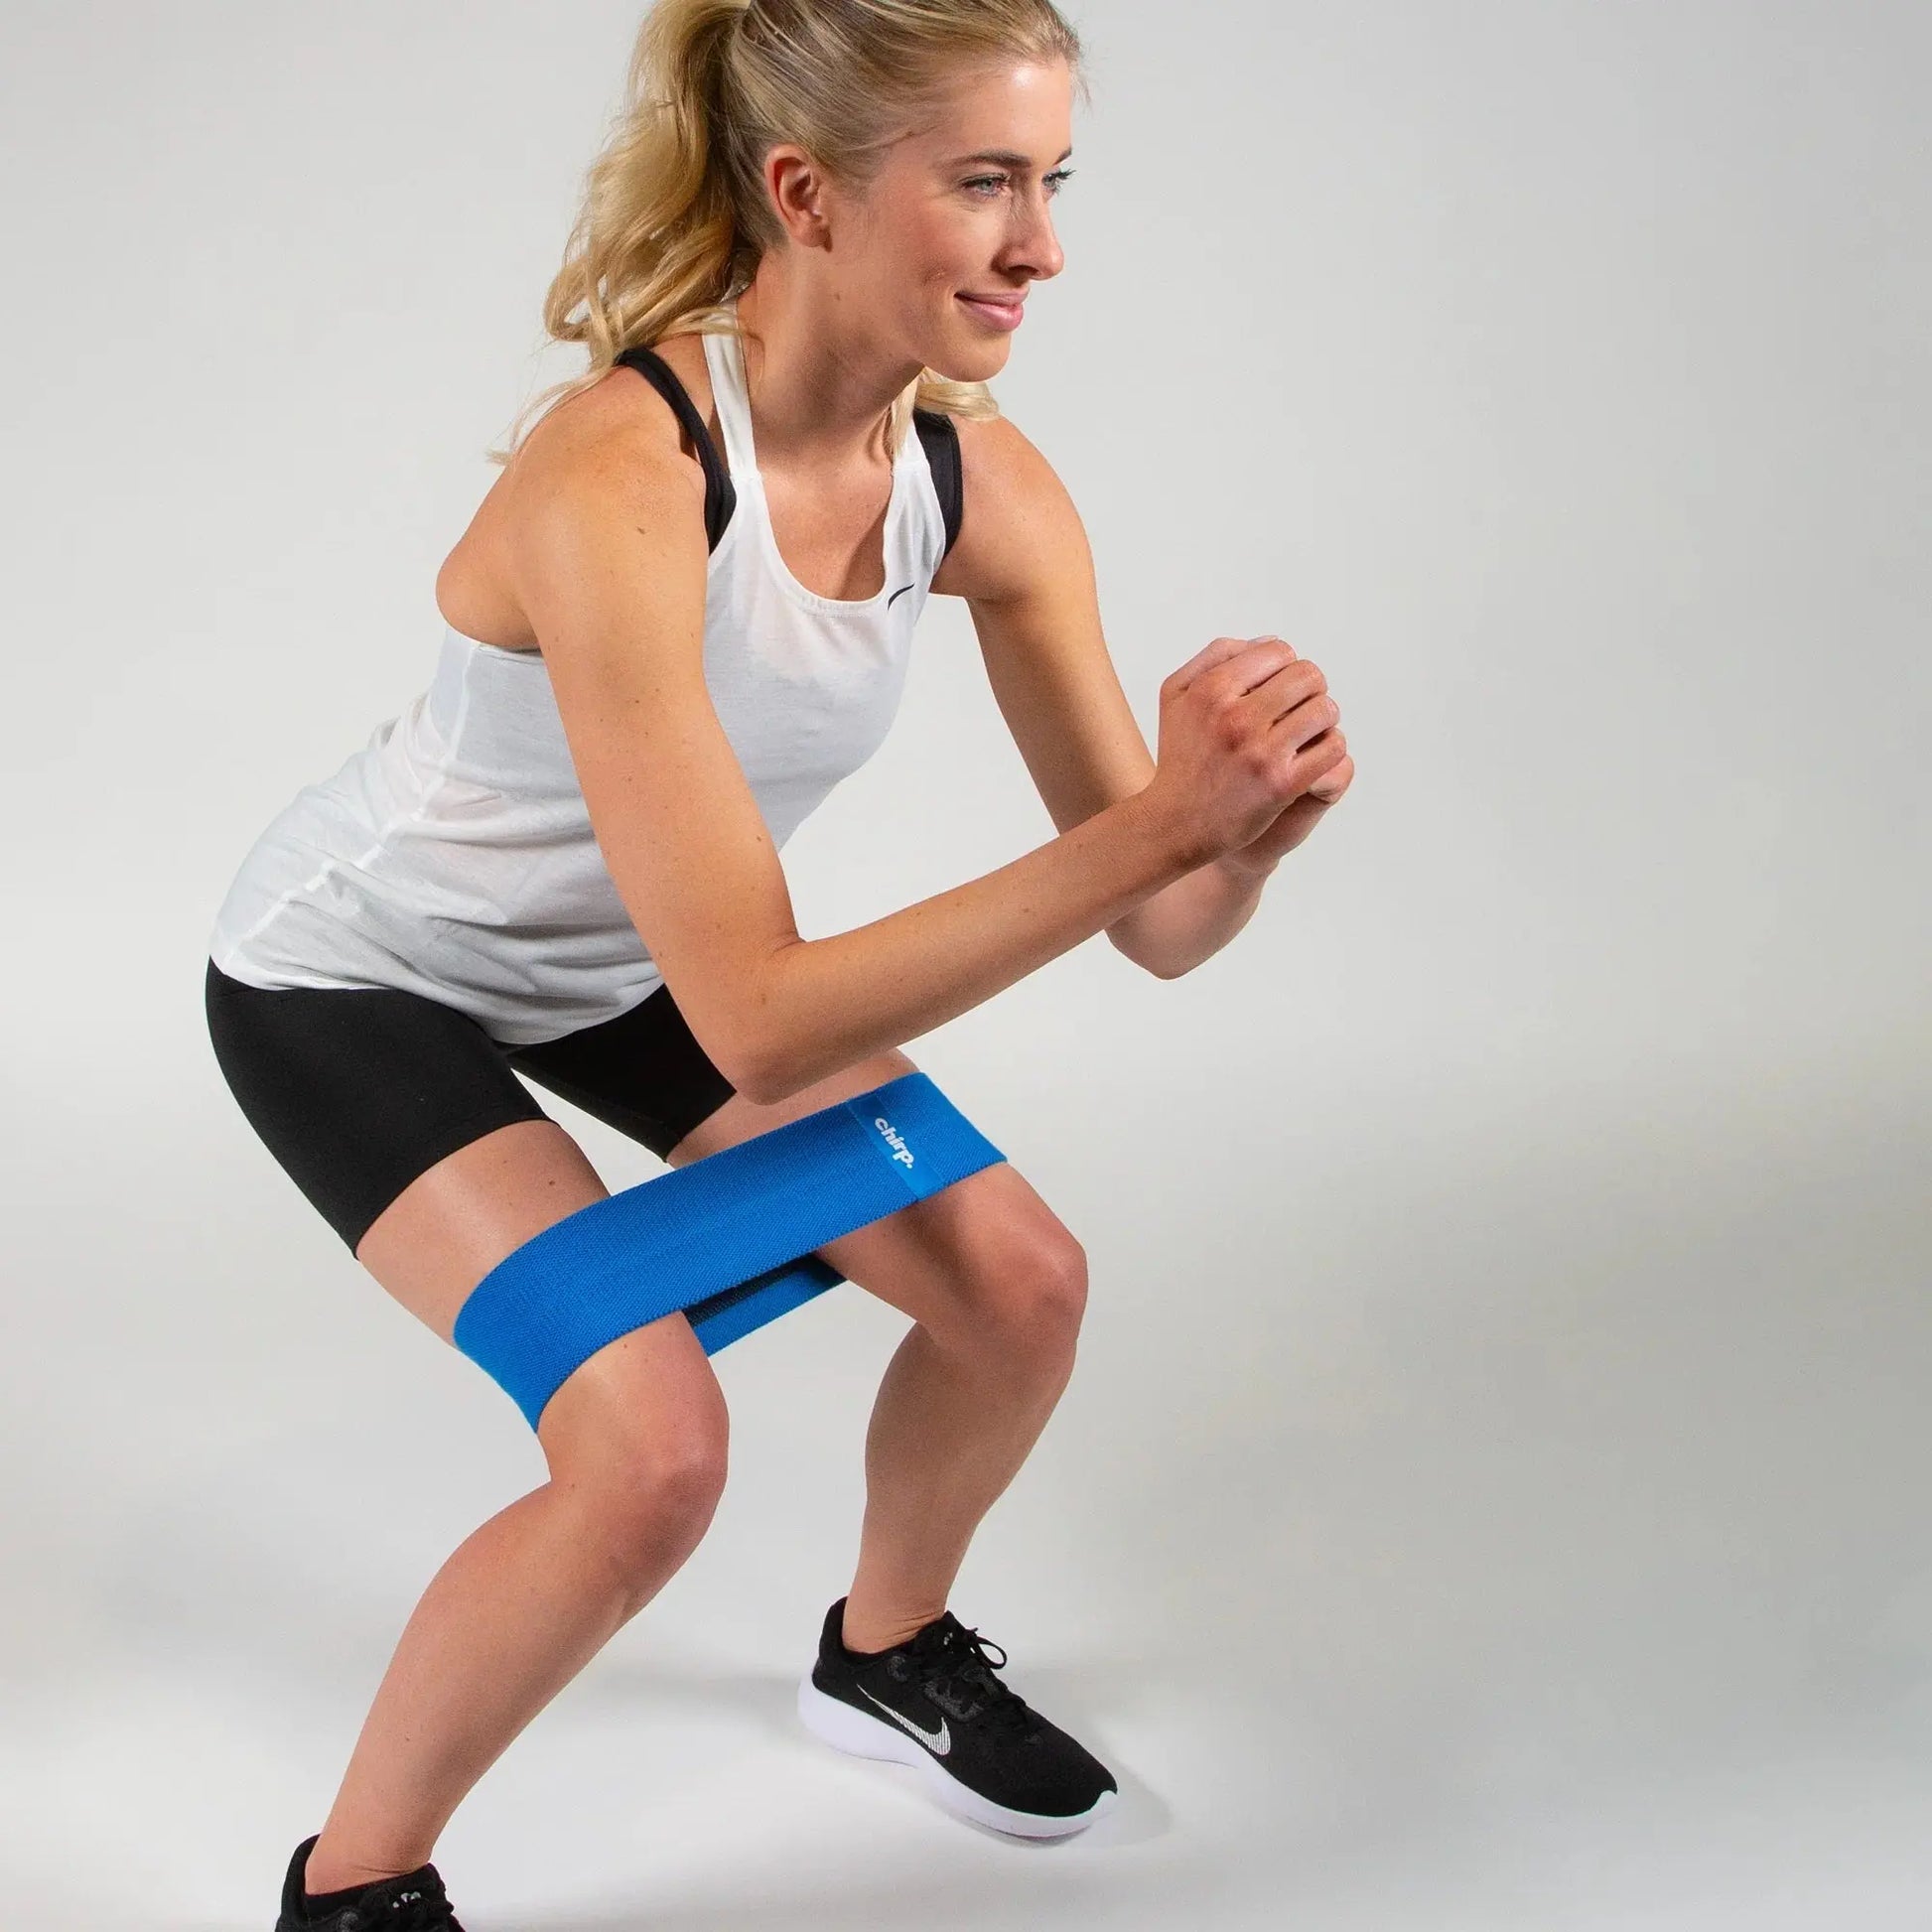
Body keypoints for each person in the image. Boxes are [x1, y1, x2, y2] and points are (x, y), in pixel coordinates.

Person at [204, 1, 1354, 1926]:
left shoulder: (983, 492)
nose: (1040, 247)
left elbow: (1159, 926)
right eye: (983, 184)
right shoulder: (620, 477)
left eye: (1051, 182)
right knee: (649, 1453)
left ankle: (882, 1648)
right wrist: (1161, 828)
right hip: (361, 975)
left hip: (631, 957)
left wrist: (1239, 835)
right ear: (807, 195)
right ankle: (352, 1887)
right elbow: (756, 1010)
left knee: (1020, 1287)